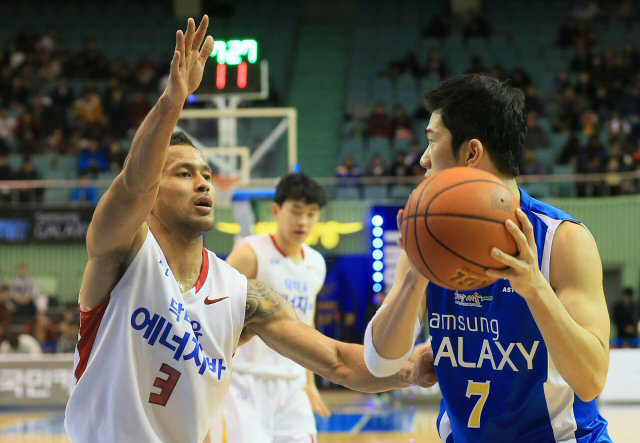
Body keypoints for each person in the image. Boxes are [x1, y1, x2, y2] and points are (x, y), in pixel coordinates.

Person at [63, 17, 431, 443]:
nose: (202, 182)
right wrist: (172, 102)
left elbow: (337, 360)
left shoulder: (244, 295)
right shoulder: (121, 255)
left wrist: (407, 370)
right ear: (152, 193)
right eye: (183, 173)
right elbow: (130, 186)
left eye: (205, 173)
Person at [364, 74, 612, 442]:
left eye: (432, 141)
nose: (423, 158)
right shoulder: (427, 241)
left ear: (472, 152)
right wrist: (414, 277)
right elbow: (379, 362)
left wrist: (534, 289)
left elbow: (591, 381)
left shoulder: (562, 241)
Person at [211, 173, 330, 443]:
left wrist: (310, 384)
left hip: (293, 385)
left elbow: (306, 326)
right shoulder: (250, 252)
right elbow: (214, 311)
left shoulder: (315, 263)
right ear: (276, 210)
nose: (303, 221)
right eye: (296, 211)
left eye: (311, 213)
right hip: (246, 384)